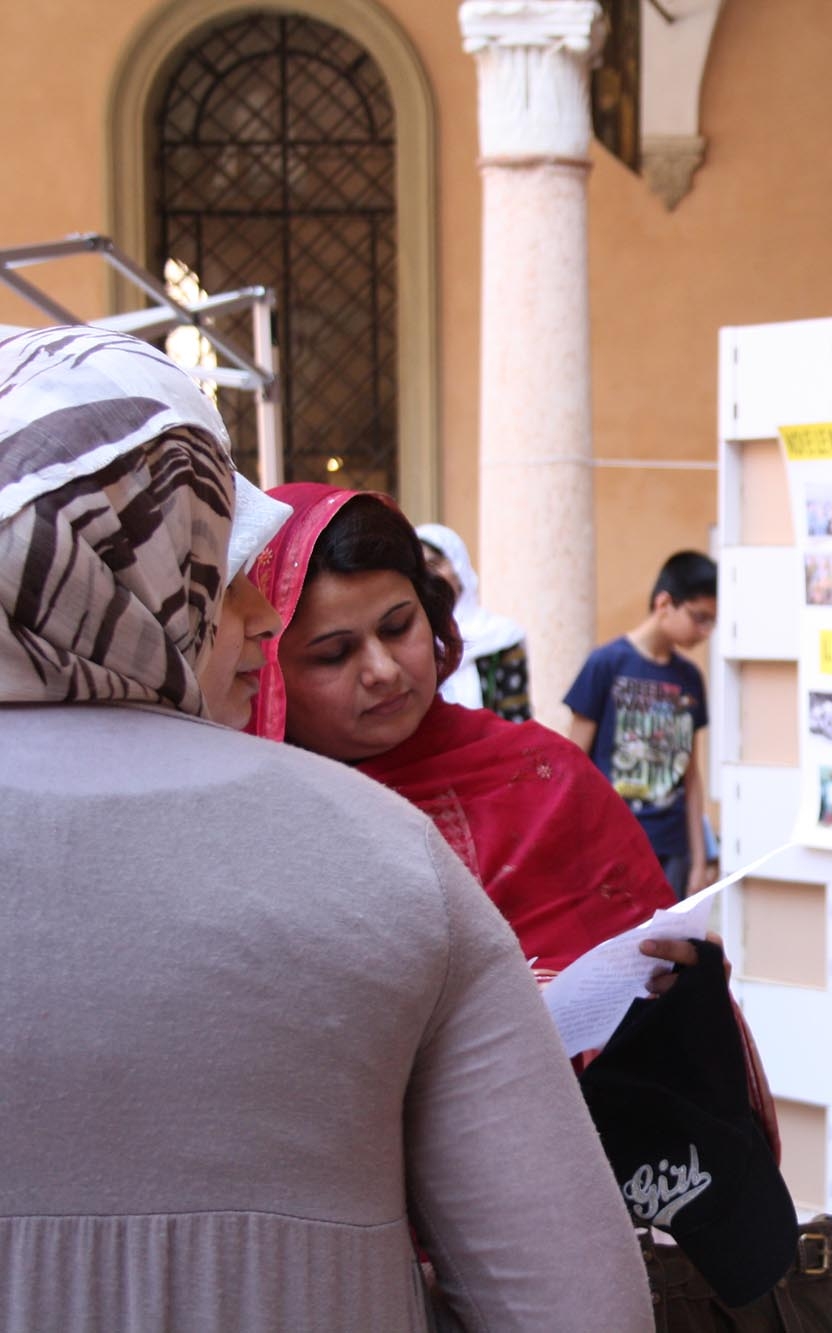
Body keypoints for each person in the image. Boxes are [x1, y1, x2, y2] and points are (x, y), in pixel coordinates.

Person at [0, 326, 651, 1330]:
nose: (258, 614)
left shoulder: (470, 800)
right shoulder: (378, 853)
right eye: (215, 569)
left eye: (398, 628)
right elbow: (574, 1305)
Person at [248, 484, 678, 975]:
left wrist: (683, 980)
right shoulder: (250, 826)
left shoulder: (542, 778)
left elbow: (646, 966)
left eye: (397, 628)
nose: (383, 670)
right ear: (265, 672)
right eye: (334, 654)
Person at [567, 551, 717, 894]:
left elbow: (690, 775)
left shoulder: (690, 677)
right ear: (664, 603)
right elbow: (573, 765)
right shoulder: (605, 664)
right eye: (699, 617)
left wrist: (698, 860)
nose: (705, 631)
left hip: (672, 850)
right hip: (611, 847)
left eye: (712, 622)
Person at [415, 520, 531, 721]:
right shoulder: (410, 641)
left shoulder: (500, 637)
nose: (429, 577)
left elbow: (515, 717)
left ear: (459, 567)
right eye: (420, 570)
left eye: (435, 564)